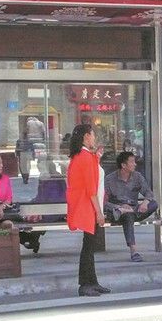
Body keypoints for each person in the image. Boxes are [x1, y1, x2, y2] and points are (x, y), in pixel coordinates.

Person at [66, 123, 110, 297]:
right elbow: (91, 189)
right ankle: (85, 284)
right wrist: (99, 212)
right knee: (88, 247)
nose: (94, 138)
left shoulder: (82, 156)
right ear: (86, 136)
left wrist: (97, 157)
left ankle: (92, 281)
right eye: (92, 134)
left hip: (86, 205)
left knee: (89, 246)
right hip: (88, 206)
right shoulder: (84, 157)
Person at [104, 151, 157, 262]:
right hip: (117, 211)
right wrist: (120, 207)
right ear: (123, 165)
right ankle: (134, 251)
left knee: (153, 204)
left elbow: (149, 193)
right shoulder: (109, 179)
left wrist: (145, 202)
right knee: (128, 216)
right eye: (132, 162)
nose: (135, 164)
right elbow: (104, 201)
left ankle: (130, 212)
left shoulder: (137, 176)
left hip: (134, 209)